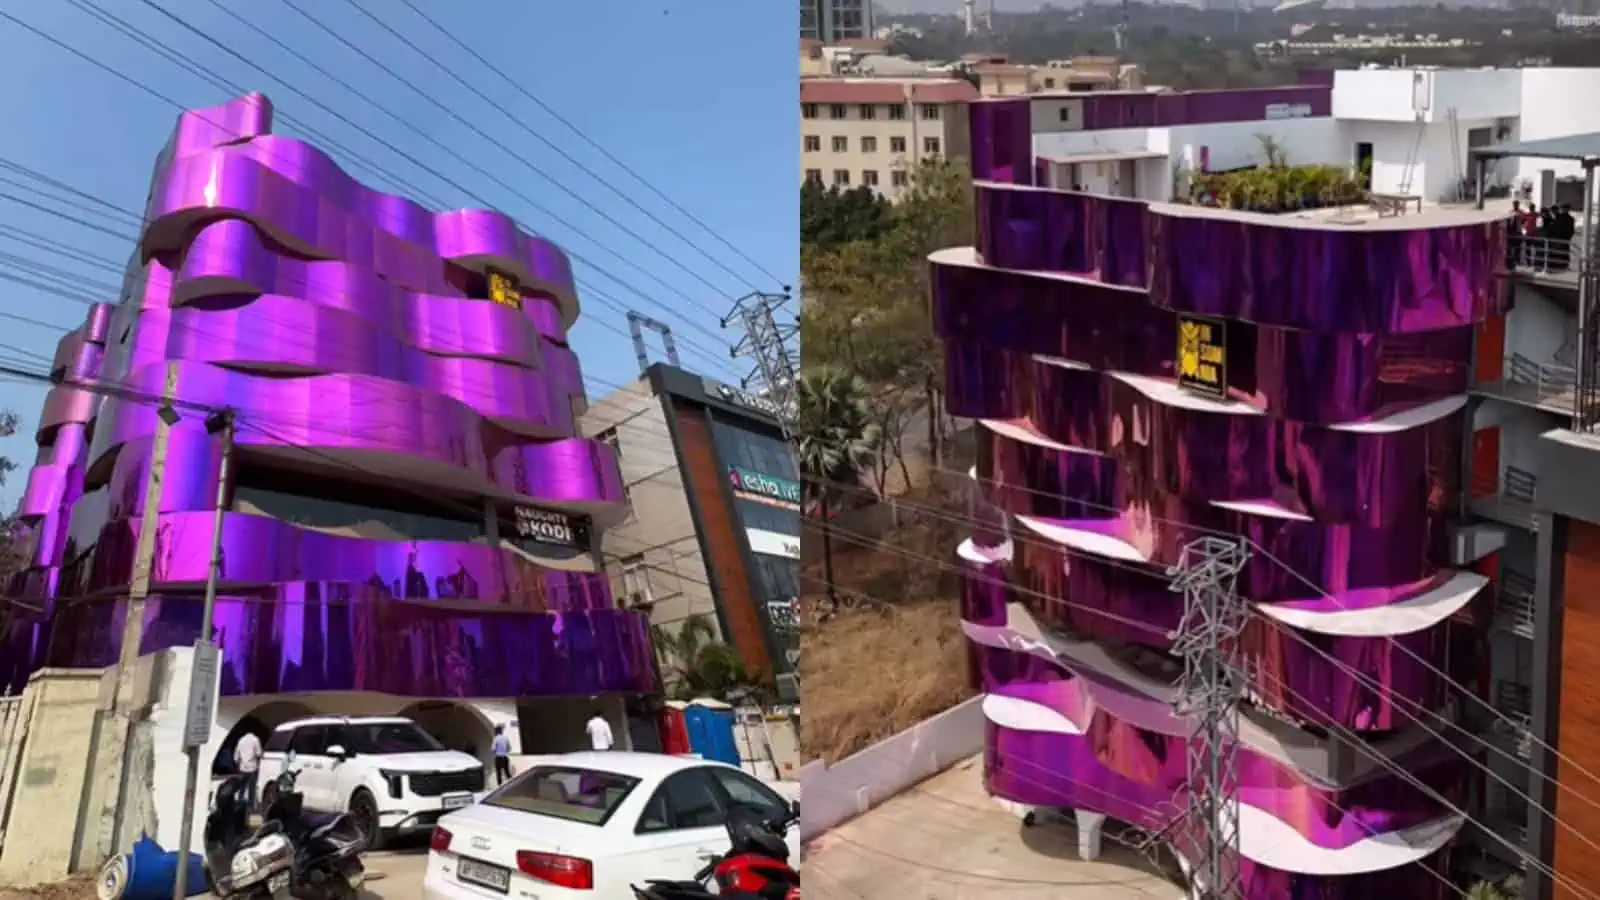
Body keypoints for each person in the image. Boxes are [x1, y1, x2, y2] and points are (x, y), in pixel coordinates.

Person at [233, 730, 263, 812]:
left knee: (241, 787)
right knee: (251, 788)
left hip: (242, 768)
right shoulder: (255, 740)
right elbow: (259, 753)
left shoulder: (241, 740)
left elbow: (236, 756)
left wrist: (238, 763)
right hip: (252, 768)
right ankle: (250, 808)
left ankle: (239, 805)